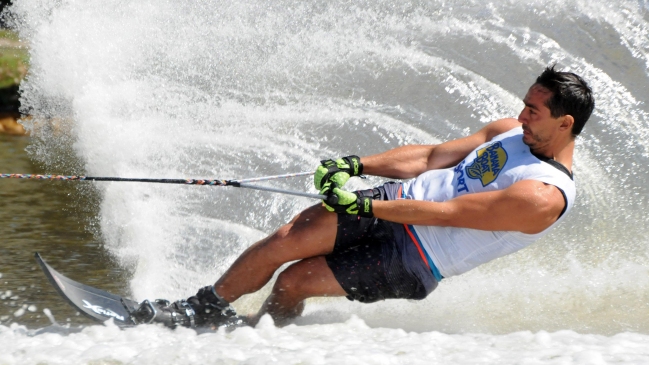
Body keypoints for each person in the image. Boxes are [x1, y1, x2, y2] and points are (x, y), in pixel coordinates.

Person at [129, 65, 595, 329]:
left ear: (564, 123)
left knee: (296, 280)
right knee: (287, 238)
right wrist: (356, 166)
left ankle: (257, 336)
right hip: (395, 199)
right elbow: (432, 157)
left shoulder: (543, 196)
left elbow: (448, 212)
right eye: (524, 104)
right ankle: (201, 309)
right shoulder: (510, 132)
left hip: (416, 258)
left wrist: (366, 204)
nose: (521, 115)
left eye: (533, 111)